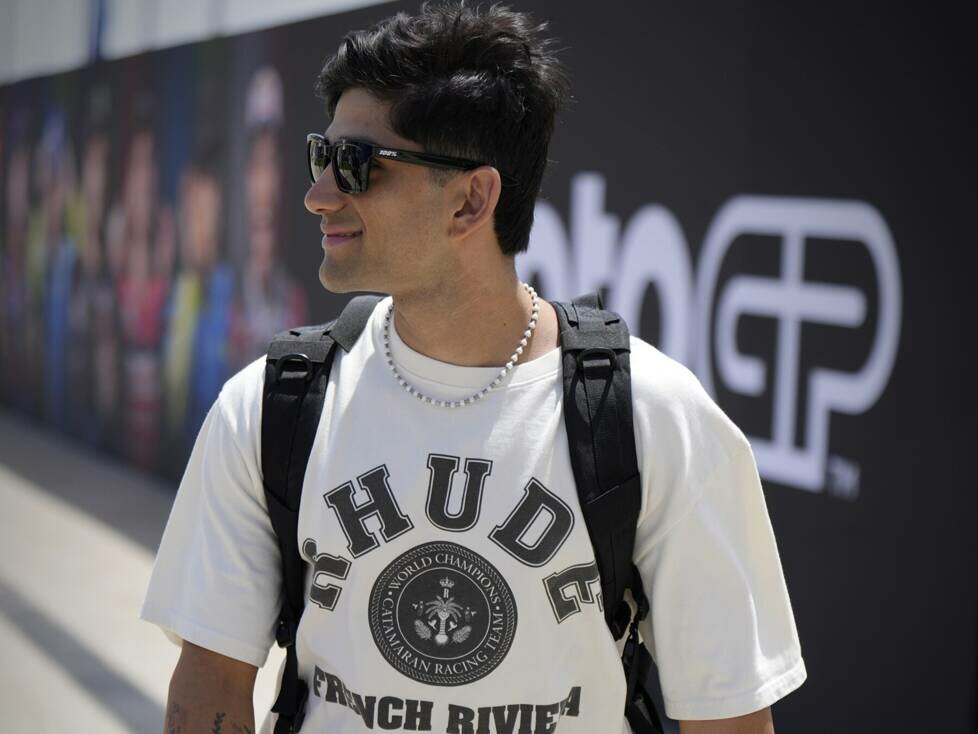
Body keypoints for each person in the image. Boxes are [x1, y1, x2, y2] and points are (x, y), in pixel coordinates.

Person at [142, 4, 806, 733]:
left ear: (471, 200)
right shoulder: (271, 407)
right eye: (319, 156)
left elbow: (730, 720)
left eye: (356, 164)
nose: (319, 194)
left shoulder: (657, 418)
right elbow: (208, 688)